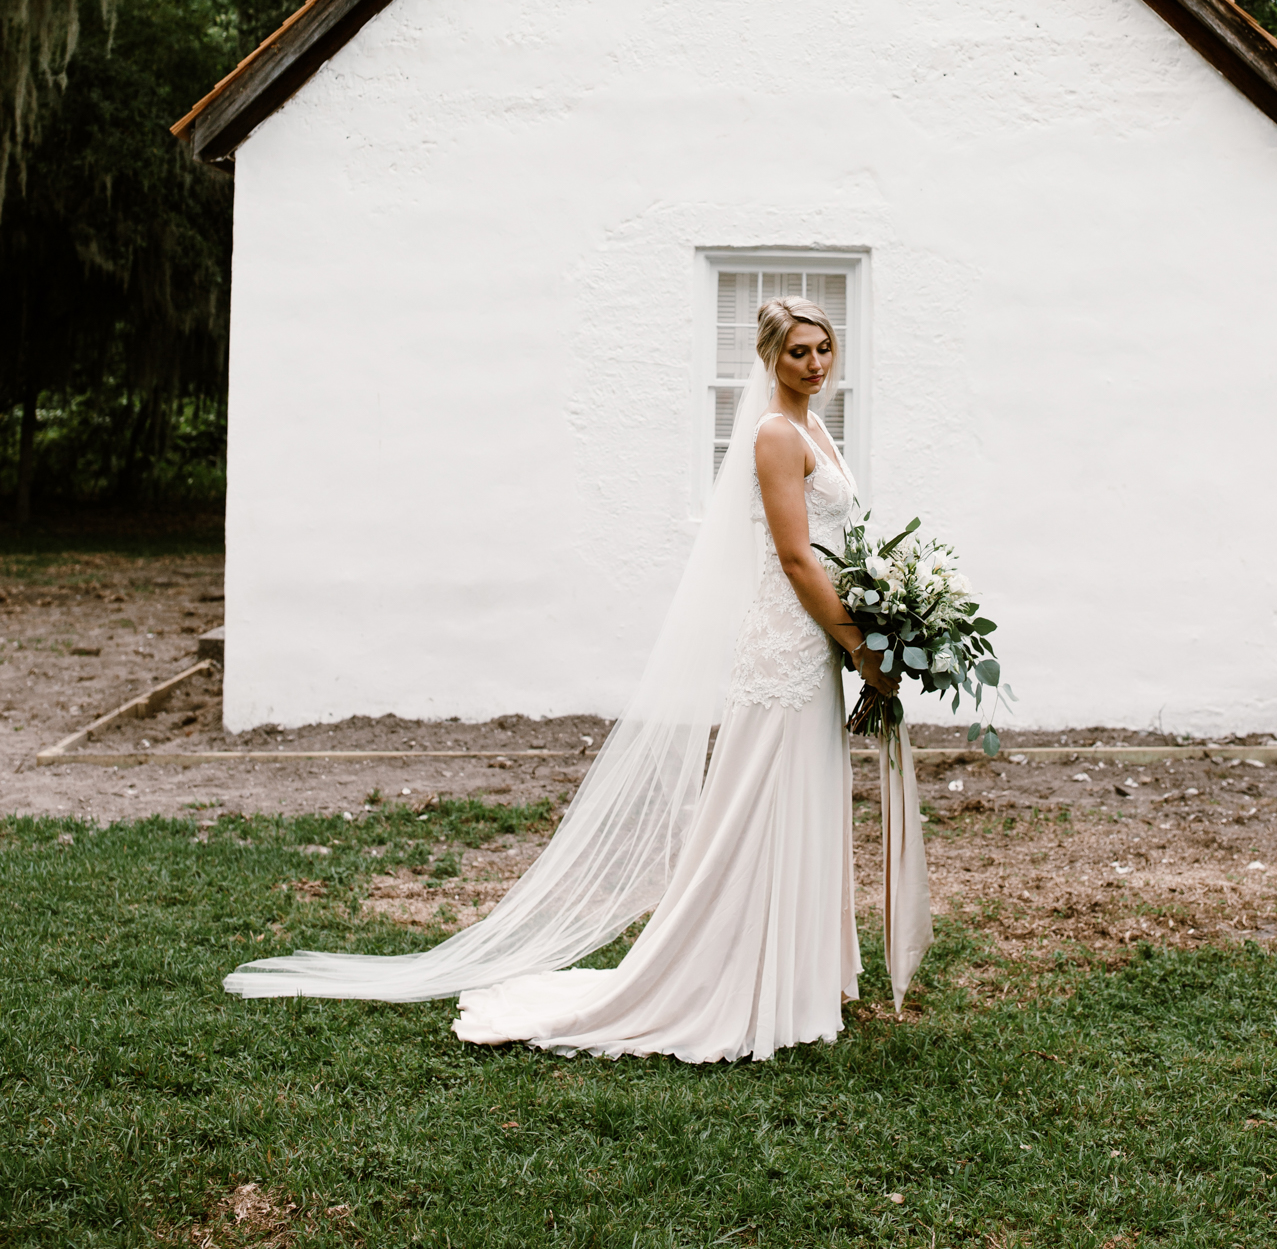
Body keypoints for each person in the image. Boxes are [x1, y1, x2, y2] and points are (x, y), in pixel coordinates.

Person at [225, 297, 931, 1063]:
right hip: (786, 650)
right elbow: (796, 560)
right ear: (770, 358)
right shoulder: (771, 434)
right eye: (799, 352)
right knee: (759, 805)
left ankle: (798, 971)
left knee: (805, 797)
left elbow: (833, 548)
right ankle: (727, 978)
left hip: (814, 643)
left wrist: (875, 617)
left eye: (824, 348)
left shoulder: (814, 426)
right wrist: (862, 646)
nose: (816, 364)